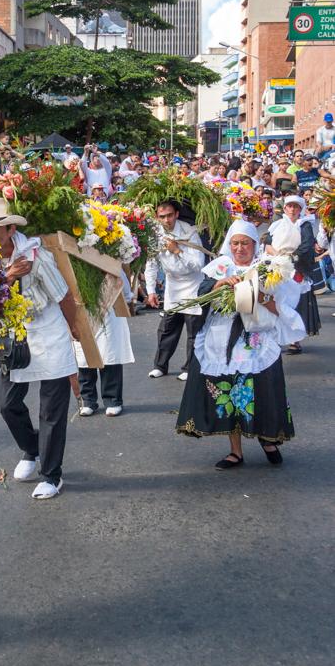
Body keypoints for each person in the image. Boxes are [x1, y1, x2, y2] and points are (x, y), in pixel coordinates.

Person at [0, 197, 79, 500]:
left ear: (10, 228)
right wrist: (9, 276)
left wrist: (75, 329)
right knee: (8, 404)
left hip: (48, 329)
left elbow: (63, 294)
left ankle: (52, 476)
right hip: (13, 335)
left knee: (51, 408)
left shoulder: (35, 255)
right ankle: (32, 448)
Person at [176, 220, 304, 469]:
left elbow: (284, 302)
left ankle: (267, 439)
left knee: (261, 389)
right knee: (230, 392)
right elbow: (200, 295)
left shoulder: (268, 269)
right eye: (235, 243)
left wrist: (264, 299)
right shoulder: (219, 267)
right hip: (221, 339)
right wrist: (219, 284)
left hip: (257, 340)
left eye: (245, 243)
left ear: (255, 245)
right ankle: (235, 451)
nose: (239, 248)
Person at [145, 199, 205, 382]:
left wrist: (177, 250)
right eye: (162, 216)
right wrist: (151, 290)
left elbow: (198, 264)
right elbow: (151, 263)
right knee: (167, 328)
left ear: (176, 214)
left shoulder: (189, 232)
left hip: (193, 284)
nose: (166, 220)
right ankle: (160, 366)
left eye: (169, 215)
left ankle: (189, 367)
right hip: (172, 285)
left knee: (193, 329)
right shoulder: (155, 234)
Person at [265, 195, 321, 354]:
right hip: (276, 266)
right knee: (274, 303)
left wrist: (289, 258)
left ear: (300, 209)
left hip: (295, 268)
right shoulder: (276, 225)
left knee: (294, 304)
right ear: (284, 208)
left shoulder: (304, 225)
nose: (292, 209)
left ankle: (294, 340)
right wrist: (276, 256)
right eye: (290, 206)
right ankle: (275, 338)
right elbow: (268, 243)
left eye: (296, 207)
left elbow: (306, 246)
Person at [76, 272, 134, 417]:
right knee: (84, 357)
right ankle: (87, 400)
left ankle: (113, 400)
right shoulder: (74, 264)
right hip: (84, 311)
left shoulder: (112, 264)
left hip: (109, 314)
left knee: (110, 356)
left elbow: (126, 291)